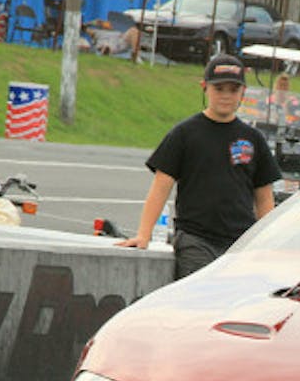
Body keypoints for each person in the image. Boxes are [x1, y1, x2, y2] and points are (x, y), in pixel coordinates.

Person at [116, 54, 281, 279]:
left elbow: (264, 198)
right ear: (204, 88)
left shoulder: (253, 139)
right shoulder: (184, 134)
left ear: (243, 92)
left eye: (233, 90)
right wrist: (143, 235)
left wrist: (266, 245)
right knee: (199, 302)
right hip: (196, 240)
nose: (225, 95)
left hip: (240, 244)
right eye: (219, 88)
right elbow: (161, 186)